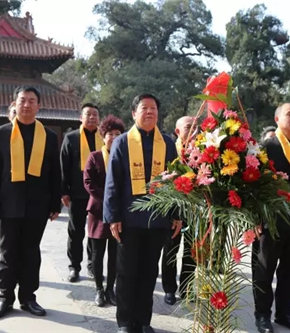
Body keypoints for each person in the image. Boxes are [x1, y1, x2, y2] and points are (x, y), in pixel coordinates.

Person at [103, 93, 182, 333]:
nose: (149, 112)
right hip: (128, 220)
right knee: (126, 273)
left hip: (158, 221)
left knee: (149, 273)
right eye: (144, 108)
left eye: (154, 108)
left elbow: (177, 182)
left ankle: (144, 321)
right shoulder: (123, 142)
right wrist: (113, 216)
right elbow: (112, 182)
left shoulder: (167, 143)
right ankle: (125, 322)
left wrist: (177, 214)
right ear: (134, 113)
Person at [0, 86, 61, 320]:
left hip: (37, 205)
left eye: (31, 101)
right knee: (8, 253)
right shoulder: (1, 133)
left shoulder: (49, 136)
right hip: (8, 204)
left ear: (38, 106)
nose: (26, 105)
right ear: (14, 104)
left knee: (30, 253)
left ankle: (28, 297)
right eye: (22, 100)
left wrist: (55, 203)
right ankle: (5, 297)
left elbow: (54, 173)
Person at [252, 103, 290, 333]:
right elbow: (254, 186)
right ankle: (262, 315)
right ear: (277, 119)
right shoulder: (266, 147)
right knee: (265, 270)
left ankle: (284, 313)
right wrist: (255, 218)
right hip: (271, 220)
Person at [83, 115, 125, 307]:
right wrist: (108, 199)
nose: (114, 137)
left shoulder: (125, 157)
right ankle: (99, 289)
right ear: (103, 136)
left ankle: (111, 289)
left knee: (115, 253)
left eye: (118, 134)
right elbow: (88, 182)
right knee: (98, 253)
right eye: (110, 134)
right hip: (98, 211)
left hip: (118, 212)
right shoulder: (95, 156)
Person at [61, 103, 102, 282]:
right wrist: (64, 191)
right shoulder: (71, 138)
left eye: (95, 114)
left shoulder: (105, 138)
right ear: (81, 118)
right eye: (88, 114)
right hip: (77, 193)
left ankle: (93, 266)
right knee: (76, 231)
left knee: (95, 231)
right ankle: (74, 266)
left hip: (98, 194)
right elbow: (64, 166)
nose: (92, 117)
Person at [161, 116, 197, 305]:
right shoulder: (168, 150)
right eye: (189, 127)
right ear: (177, 131)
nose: (194, 131)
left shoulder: (203, 151)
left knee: (192, 252)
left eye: (196, 127)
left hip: (195, 211)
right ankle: (169, 289)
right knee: (170, 251)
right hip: (173, 211)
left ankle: (187, 289)